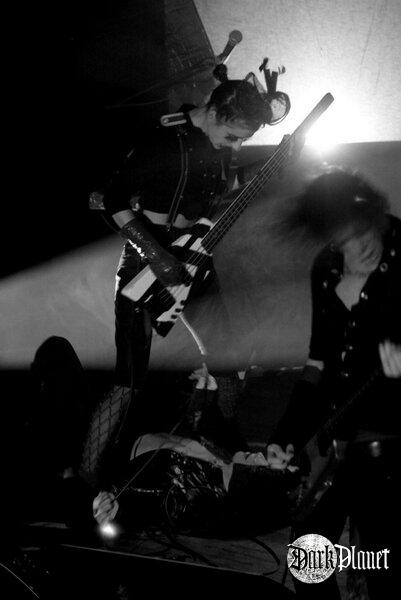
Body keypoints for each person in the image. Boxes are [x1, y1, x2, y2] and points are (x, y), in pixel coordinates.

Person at [100, 79, 289, 412]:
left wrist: (272, 163)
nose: (235, 146)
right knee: (127, 381)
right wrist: (155, 254)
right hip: (147, 258)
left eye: (242, 140)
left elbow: (227, 183)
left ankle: (215, 432)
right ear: (213, 113)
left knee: (226, 359)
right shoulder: (163, 140)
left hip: (194, 255)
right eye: (232, 136)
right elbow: (113, 199)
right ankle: (95, 450)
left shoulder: (215, 146)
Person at [266, 168, 401, 599]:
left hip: (391, 438)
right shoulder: (325, 268)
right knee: (308, 556)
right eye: (345, 240)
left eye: (366, 231)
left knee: (383, 560)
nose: (362, 246)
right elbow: (318, 360)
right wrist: (287, 434)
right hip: (336, 439)